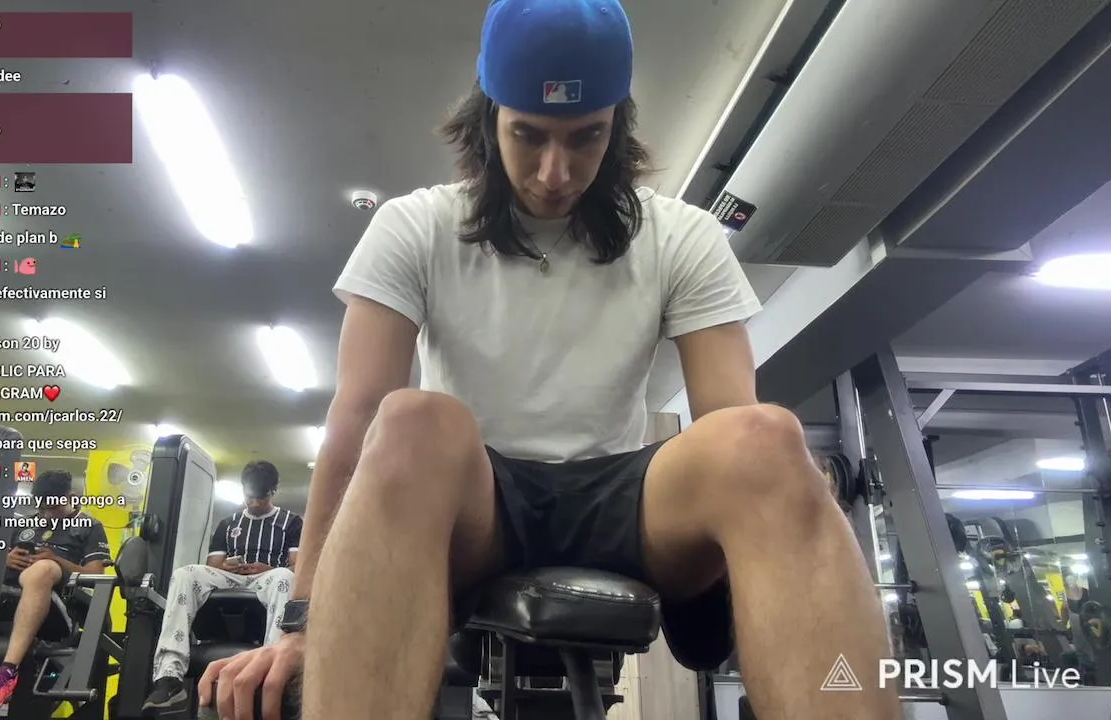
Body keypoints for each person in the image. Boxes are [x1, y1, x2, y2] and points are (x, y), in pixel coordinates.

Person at [200, 1, 903, 718]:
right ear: (489, 119)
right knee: (409, 420)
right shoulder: (414, 226)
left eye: (586, 136)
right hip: (479, 504)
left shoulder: (682, 236)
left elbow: (728, 423)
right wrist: (303, 623)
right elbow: (353, 421)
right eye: (528, 135)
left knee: (767, 437)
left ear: (617, 124)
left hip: (626, 504)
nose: (555, 171)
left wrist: (776, 512)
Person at [143, 461, 302, 712]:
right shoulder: (229, 523)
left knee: (285, 576)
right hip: (233, 578)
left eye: (260, 498)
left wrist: (268, 568)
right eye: (249, 497)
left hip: (269, 578)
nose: (253, 503)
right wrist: (227, 567)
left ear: (273, 492)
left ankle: (268, 671)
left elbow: (298, 566)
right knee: (185, 574)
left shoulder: (291, 522)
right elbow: (214, 564)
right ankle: (169, 676)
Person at [0, 470, 111, 709]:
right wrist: (4, 559)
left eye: (53, 508)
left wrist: (56, 560)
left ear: (71, 498)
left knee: (43, 569)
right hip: (8, 599)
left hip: (58, 607)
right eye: (42, 508)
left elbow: (96, 574)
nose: (47, 514)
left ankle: (7, 672)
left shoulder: (89, 527)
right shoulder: (24, 524)